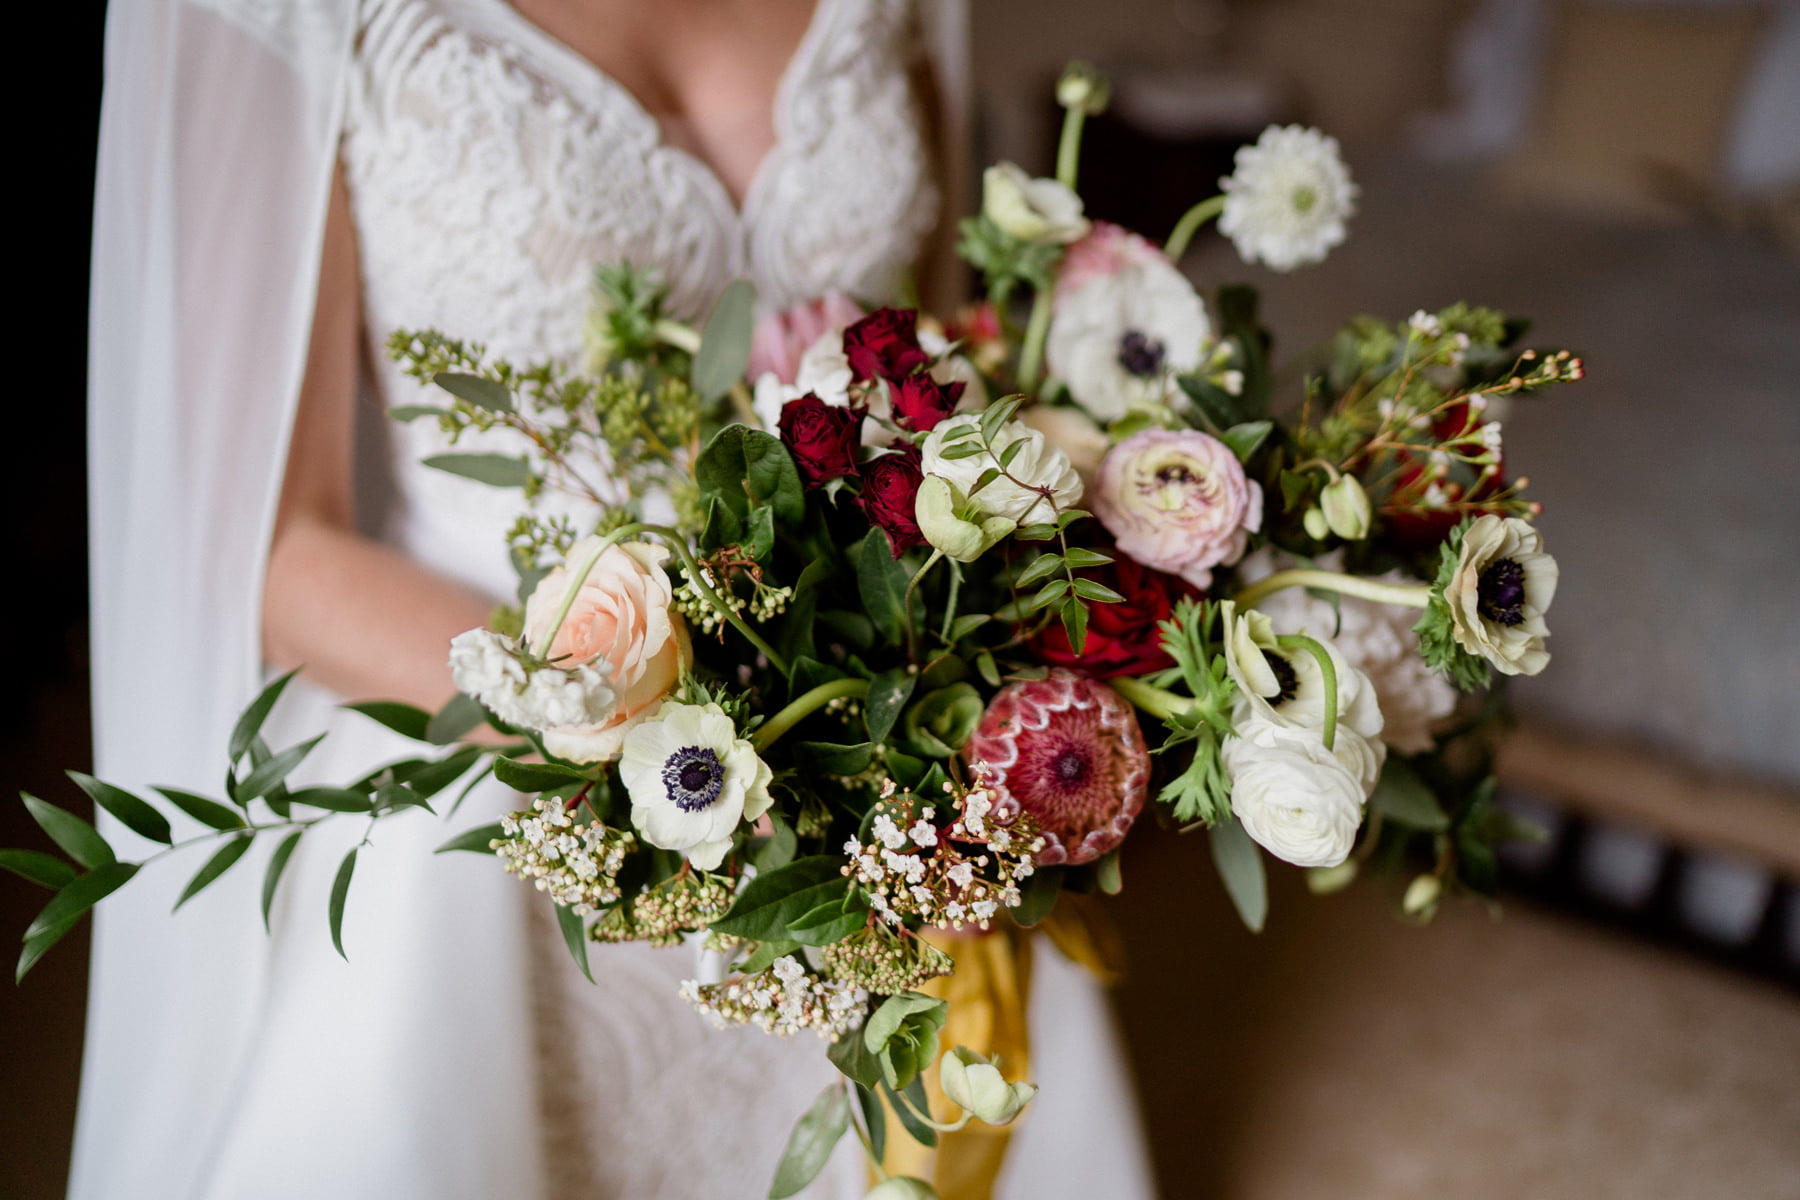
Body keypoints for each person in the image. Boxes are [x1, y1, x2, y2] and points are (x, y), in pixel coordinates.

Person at [78, 1, 1155, 1196]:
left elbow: (952, 372)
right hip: (480, 722)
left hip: (880, 717)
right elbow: (273, 549)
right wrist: (664, 737)